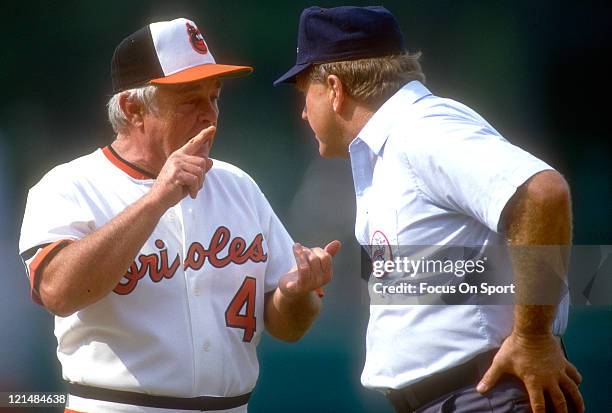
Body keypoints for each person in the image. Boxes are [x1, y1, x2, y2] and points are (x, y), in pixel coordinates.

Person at [19, 17, 340, 413]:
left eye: (215, 96)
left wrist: (296, 294)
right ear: (132, 108)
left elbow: (289, 327)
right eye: (191, 100)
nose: (210, 114)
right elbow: (58, 293)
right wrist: (156, 200)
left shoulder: (238, 186)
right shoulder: (71, 185)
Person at [274, 6, 583, 413]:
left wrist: (534, 337)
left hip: (486, 395)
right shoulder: (391, 146)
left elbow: (543, 193)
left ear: (333, 88)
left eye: (303, 92)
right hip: (461, 398)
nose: (302, 111)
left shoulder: (421, 130)